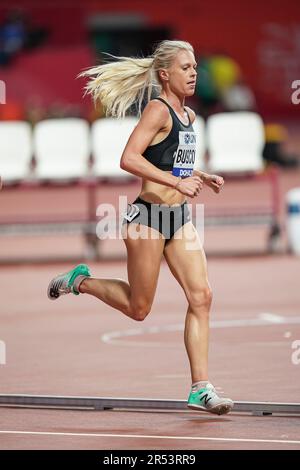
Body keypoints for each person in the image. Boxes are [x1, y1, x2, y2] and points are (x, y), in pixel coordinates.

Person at [47, 40, 234, 415]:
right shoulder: (157, 109)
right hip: (147, 219)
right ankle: (80, 281)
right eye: (186, 67)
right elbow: (129, 159)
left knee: (202, 297)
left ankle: (201, 388)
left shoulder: (189, 116)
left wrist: (199, 176)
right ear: (165, 74)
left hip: (178, 219)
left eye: (195, 66)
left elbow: (169, 162)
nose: (195, 72)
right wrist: (175, 183)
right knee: (138, 308)